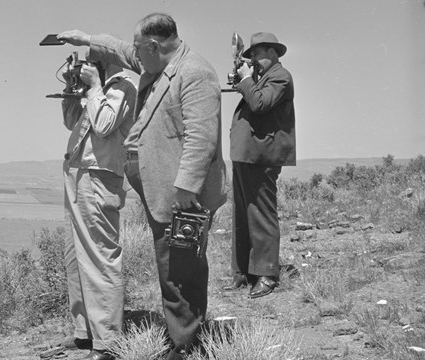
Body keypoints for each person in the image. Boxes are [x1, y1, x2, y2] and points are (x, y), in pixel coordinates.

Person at [59, 12, 227, 360]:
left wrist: (186, 189)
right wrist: (86, 39)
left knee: (181, 269)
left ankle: (185, 346)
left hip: (180, 192)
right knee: (171, 265)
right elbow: (121, 50)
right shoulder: (158, 61)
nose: (133, 56)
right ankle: (180, 336)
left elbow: (201, 138)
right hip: (158, 185)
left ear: (154, 45)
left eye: (139, 48)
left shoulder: (195, 73)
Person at [60, 56, 137, 360]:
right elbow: (71, 122)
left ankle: (107, 341)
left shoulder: (122, 87)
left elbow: (104, 125)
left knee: (100, 256)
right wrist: (71, 86)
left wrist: (93, 87)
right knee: (75, 255)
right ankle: (85, 332)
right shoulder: (98, 90)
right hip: (78, 171)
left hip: (99, 175)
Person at [224, 32, 296, 299]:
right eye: (251, 55)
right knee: (243, 214)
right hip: (246, 155)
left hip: (262, 157)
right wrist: (244, 80)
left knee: (261, 213)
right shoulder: (260, 79)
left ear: (273, 53)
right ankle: (244, 272)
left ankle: (266, 273)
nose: (252, 59)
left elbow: (260, 103)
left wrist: (244, 80)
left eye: (256, 54)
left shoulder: (280, 76)